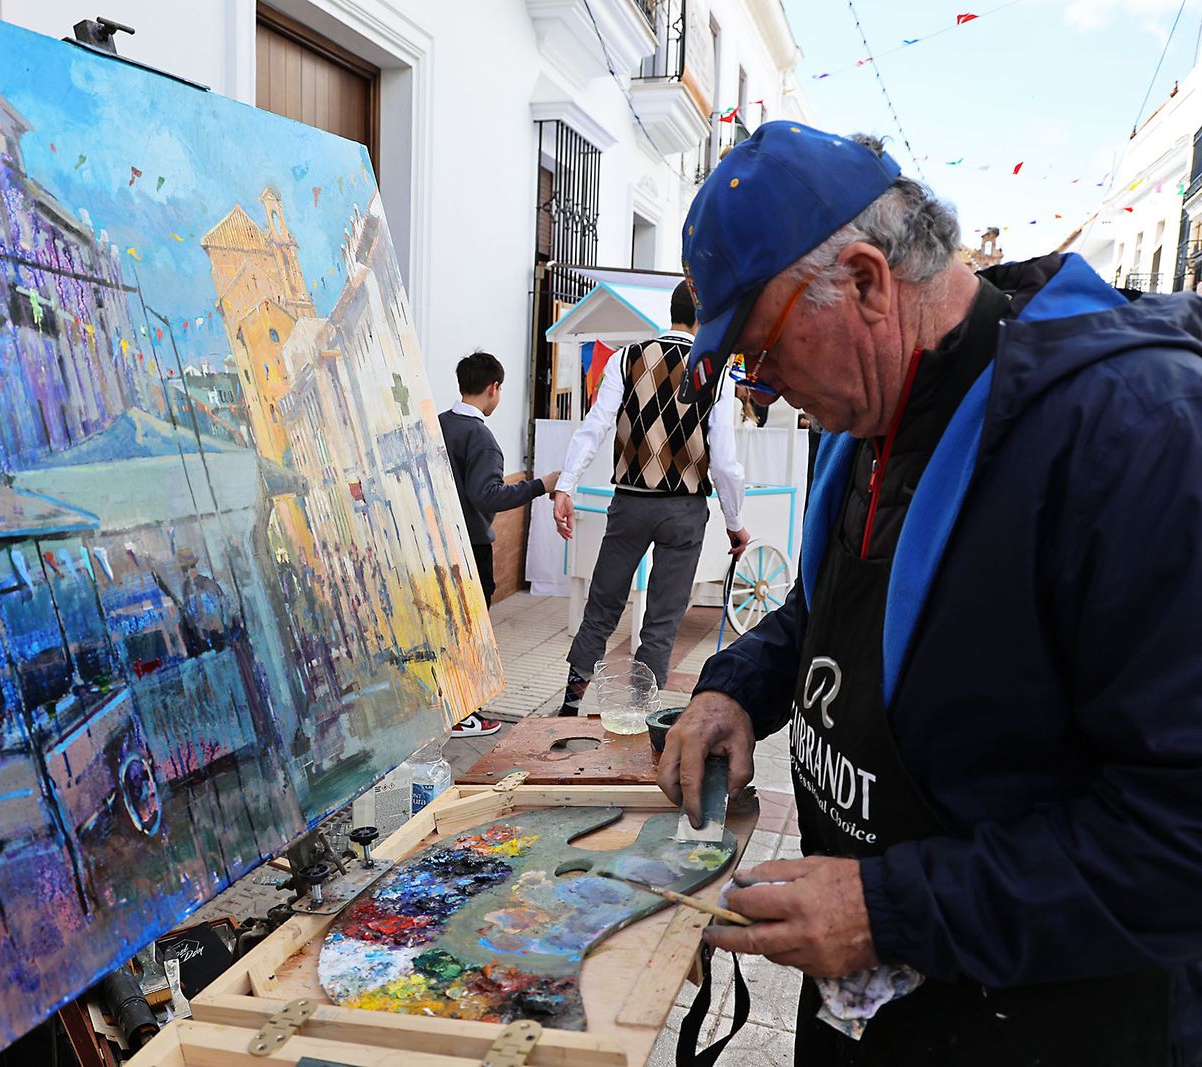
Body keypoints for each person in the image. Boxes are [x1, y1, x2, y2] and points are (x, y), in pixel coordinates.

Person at [661, 121, 1202, 1065]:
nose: (762, 389)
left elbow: (1178, 837)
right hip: (873, 1012)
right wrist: (734, 685)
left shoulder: (1133, 436)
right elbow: (830, 610)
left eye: (763, 349)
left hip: (1043, 1027)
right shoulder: (866, 413)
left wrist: (886, 908)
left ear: (867, 281)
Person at [552, 280, 748, 715]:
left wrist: (566, 484)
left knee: (603, 603)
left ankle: (570, 704)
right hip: (685, 508)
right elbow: (725, 463)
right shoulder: (715, 373)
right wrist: (735, 522)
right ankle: (643, 715)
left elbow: (596, 426)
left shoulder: (626, 358)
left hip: (630, 502)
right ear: (703, 317)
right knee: (662, 619)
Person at [439, 350, 559, 737]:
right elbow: (488, 496)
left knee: (445, 630)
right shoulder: (481, 437)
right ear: (493, 388)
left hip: (435, 545)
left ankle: (446, 709)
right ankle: (465, 715)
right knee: (472, 632)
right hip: (471, 548)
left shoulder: (437, 424)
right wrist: (542, 485)